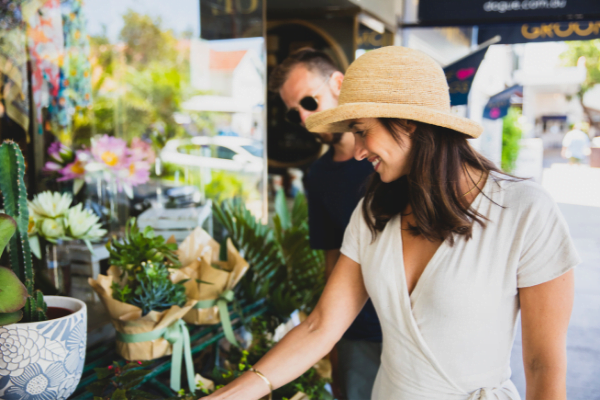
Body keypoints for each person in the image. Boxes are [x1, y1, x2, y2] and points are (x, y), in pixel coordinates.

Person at [205, 46, 579, 400]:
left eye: (362, 130)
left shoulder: (525, 211)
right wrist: (234, 393)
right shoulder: (372, 214)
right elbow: (321, 326)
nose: (360, 149)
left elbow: (543, 365)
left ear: (407, 123)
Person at [268, 48, 382, 399]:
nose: (303, 117)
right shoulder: (318, 176)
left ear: (338, 83)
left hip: (415, 325)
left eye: (309, 101)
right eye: (294, 113)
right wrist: (330, 341)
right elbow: (331, 259)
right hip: (356, 331)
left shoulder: (388, 160)